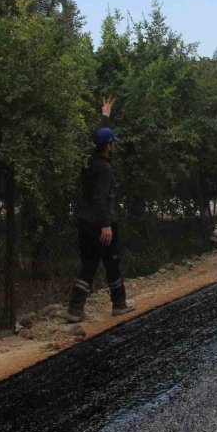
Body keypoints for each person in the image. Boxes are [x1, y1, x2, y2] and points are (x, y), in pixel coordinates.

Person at [66, 97, 134, 323]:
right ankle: (119, 305)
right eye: (112, 142)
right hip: (101, 224)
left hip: (85, 223)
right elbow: (100, 198)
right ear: (108, 147)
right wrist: (106, 225)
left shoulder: (89, 161)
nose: (114, 145)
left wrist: (105, 115)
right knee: (112, 262)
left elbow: (98, 135)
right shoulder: (104, 169)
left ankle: (75, 309)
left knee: (89, 264)